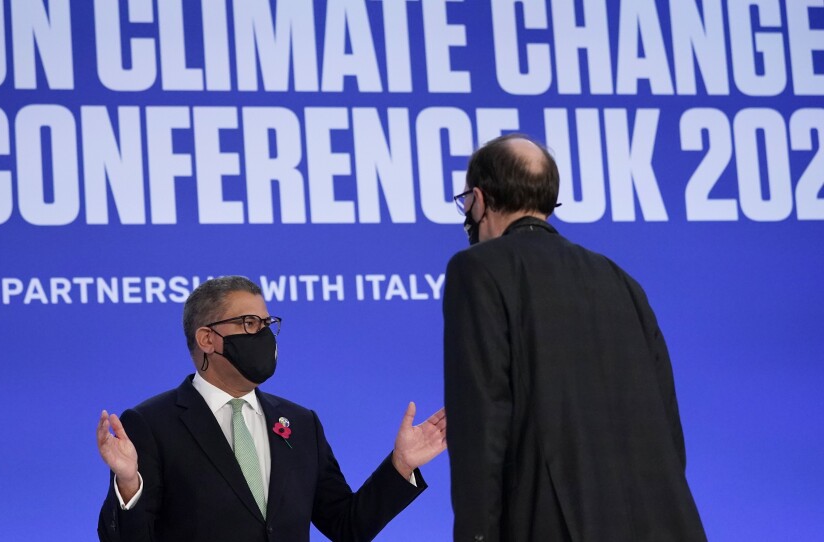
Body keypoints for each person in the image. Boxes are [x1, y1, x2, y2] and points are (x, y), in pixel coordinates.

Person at [443, 134, 706, 541]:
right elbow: (669, 433)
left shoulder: (477, 270)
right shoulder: (621, 281)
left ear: (478, 200)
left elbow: (481, 427)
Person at [97, 275, 446, 542]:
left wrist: (401, 466)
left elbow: (347, 526)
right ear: (207, 339)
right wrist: (128, 484)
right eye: (249, 323)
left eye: (267, 324)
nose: (264, 335)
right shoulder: (151, 424)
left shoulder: (301, 422)